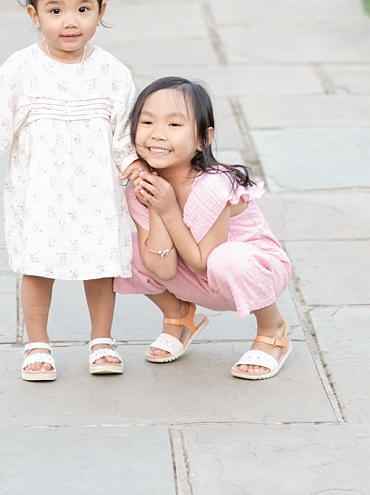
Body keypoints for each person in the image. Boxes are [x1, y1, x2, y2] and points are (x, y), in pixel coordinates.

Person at [0, 0, 149, 379]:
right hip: (40, 189)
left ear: (102, 11)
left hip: (97, 189)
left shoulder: (113, 73)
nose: (71, 21)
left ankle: (102, 340)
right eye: (56, 10)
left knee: (102, 265)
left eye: (83, 9)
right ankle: (37, 343)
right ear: (34, 15)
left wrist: (136, 167)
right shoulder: (21, 69)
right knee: (37, 264)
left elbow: (125, 131)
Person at [114, 77, 294, 380]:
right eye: (147, 122)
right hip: (191, 276)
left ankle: (272, 327)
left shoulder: (214, 184)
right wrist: (158, 206)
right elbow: (162, 268)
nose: (157, 134)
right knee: (117, 250)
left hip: (249, 272)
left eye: (174, 125)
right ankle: (180, 315)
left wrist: (168, 208)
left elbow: (202, 262)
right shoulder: (140, 189)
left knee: (225, 259)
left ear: (203, 138)